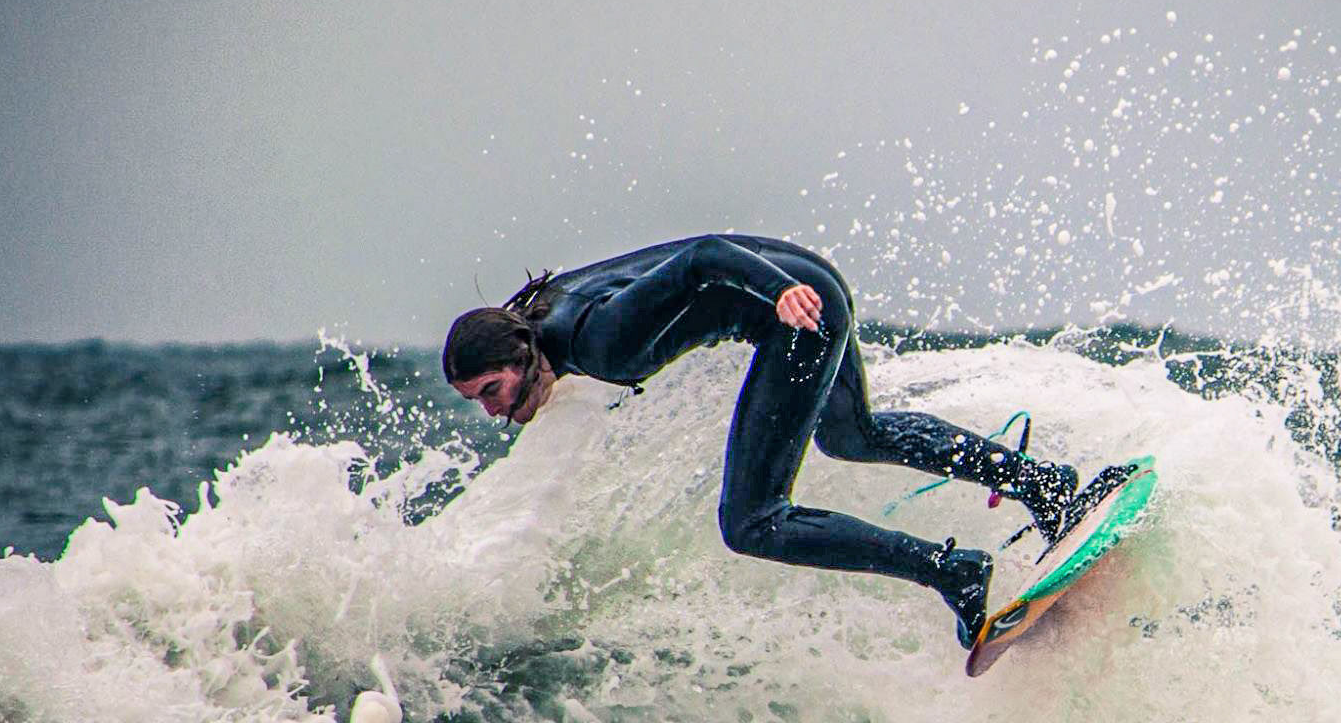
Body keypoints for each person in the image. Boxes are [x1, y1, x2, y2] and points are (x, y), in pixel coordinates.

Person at [442, 234, 1130, 649]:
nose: (498, 413)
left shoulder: (599, 339)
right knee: (853, 434)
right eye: (481, 404)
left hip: (796, 309)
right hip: (810, 283)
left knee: (752, 522)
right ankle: (1045, 487)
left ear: (522, 353)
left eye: (494, 392)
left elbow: (701, 258)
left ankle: (956, 572)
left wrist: (779, 296)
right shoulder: (543, 319)